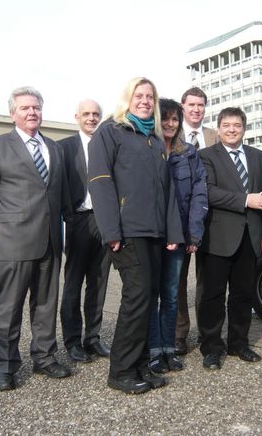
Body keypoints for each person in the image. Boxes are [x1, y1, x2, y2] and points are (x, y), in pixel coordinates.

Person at [0, 86, 72, 391]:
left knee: (45, 304)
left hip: (50, 241)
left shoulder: (55, 149)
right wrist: (4, 219)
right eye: (25, 108)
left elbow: (60, 193)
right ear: (13, 113)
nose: (32, 113)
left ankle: (44, 357)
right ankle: (5, 366)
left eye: (37, 108)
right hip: (12, 241)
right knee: (9, 307)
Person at [88, 77, 184, 395]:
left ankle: (141, 364)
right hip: (127, 231)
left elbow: (166, 192)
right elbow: (100, 182)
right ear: (128, 98)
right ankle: (121, 370)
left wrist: (172, 232)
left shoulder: (155, 140)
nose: (144, 100)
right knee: (137, 296)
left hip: (155, 233)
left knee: (149, 298)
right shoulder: (110, 131)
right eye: (139, 95)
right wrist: (111, 231)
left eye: (149, 96)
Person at [198, 107, 262, 370]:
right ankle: (211, 348)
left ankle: (239, 343)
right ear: (219, 129)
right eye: (226, 125)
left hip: (250, 236)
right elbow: (208, 191)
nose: (231, 129)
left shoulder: (257, 156)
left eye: (237, 125)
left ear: (244, 128)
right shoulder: (206, 156)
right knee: (213, 295)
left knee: (243, 295)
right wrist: (244, 200)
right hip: (217, 237)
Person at [148, 98, 208, 374]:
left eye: (175, 119)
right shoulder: (147, 149)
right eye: (165, 119)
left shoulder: (189, 153)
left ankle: (169, 348)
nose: (170, 124)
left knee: (171, 294)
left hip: (180, 234)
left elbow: (199, 192)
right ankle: (152, 350)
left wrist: (194, 233)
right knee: (150, 295)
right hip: (151, 233)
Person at [59, 99, 111, 363]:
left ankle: (93, 337)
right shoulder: (64, 147)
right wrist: (68, 215)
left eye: (96, 114)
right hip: (78, 220)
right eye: (87, 114)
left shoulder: (107, 144)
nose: (91, 118)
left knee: (99, 283)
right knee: (73, 283)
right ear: (77, 116)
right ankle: (72, 341)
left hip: (105, 221)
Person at [175, 87, 219, 356]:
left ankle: (207, 332)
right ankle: (180, 334)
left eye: (201, 105)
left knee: (209, 279)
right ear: (183, 106)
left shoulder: (214, 136)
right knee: (178, 280)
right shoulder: (169, 133)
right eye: (191, 104)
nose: (196, 109)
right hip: (181, 220)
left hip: (213, 218)